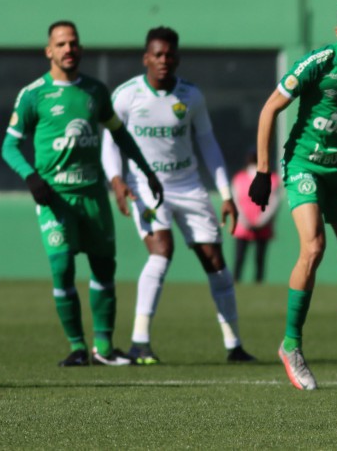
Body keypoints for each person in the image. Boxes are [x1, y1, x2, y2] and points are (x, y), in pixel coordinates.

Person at [248, 0, 337, 390]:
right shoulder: (318, 64)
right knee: (313, 247)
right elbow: (269, 110)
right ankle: (291, 346)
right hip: (304, 166)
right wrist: (264, 171)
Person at [1, 20, 163, 367]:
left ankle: (103, 349)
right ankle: (77, 346)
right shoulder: (33, 95)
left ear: (81, 48)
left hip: (93, 196)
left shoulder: (95, 91)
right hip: (55, 198)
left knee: (104, 267)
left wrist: (147, 172)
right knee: (61, 267)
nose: (68, 49)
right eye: (60, 44)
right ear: (49, 51)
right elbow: (9, 146)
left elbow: (120, 136)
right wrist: (31, 177)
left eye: (73, 43)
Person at [101, 26, 255, 365]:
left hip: (188, 186)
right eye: (157, 54)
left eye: (169, 55)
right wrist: (116, 180)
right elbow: (109, 144)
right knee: (161, 251)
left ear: (177, 58)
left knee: (216, 263)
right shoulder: (126, 96)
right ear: (146, 58)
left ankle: (234, 345)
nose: (163, 60)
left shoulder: (191, 96)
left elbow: (209, 144)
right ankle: (140, 342)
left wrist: (227, 194)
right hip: (145, 186)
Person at [231, 148, 281, 284]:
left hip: (261, 226)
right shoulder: (239, 178)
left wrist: (261, 221)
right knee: (241, 258)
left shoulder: (273, 178)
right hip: (244, 226)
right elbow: (236, 201)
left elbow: (273, 202)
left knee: (258, 259)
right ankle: (237, 281)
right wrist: (246, 221)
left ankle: (257, 283)